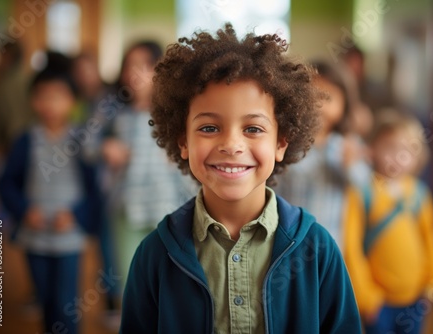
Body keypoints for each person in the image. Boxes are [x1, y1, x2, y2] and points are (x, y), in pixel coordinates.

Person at [120, 23, 361, 333]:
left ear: (281, 142)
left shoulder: (319, 249)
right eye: (209, 127)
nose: (232, 145)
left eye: (253, 129)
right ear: (182, 141)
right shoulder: (155, 255)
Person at [0, 68, 102, 334]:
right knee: (45, 300)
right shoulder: (25, 140)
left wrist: (75, 215)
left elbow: (95, 188)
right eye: (43, 96)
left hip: (69, 237)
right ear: (33, 100)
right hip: (34, 237)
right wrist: (24, 210)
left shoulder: (82, 140)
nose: (51, 104)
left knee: (66, 302)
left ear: (72, 101)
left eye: (58, 96)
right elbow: (6, 183)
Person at [343, 109, 433, 334]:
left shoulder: (419, 193)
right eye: (390, 148)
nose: (399, 157)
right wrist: (367, 297)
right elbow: (351, 247)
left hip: (416, 299)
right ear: (372, 149)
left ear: (419, 157)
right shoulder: (363, 193)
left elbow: (431, 238)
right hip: (379, 303)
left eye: (408, 151)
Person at [101, 41, 196, 291]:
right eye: (129, 66)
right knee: (132, 283)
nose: (135, 74)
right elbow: (85, 142)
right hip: (127, 210)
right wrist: (106, 147)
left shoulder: (174, 117)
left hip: (166, 210)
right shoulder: (117, 115)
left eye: (144, 66)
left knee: (169, 283)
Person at [275, 61, 370, 248]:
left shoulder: (347, 145)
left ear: (345, 105)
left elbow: (365, 188)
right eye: (312, 95)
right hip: (288, 243)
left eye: (329, 98)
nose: (319, 105)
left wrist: (350, 166)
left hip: (329, 245)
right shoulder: (286, 143)